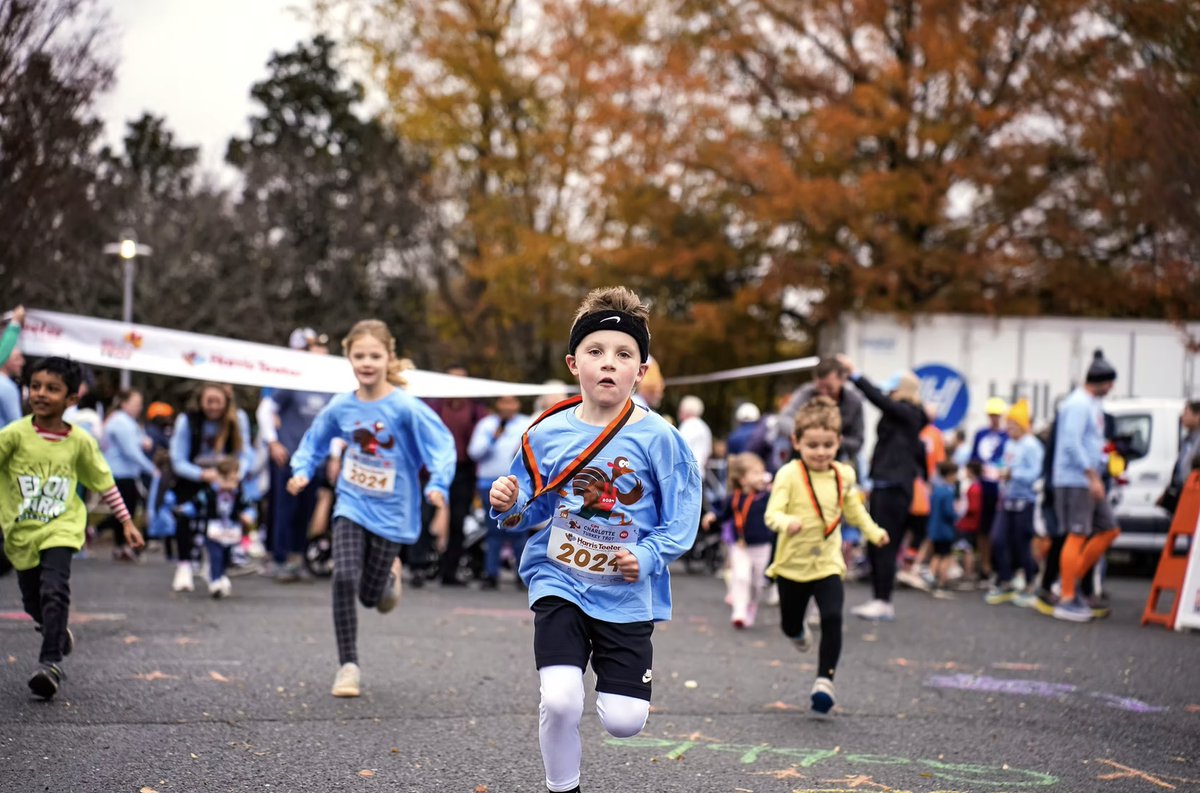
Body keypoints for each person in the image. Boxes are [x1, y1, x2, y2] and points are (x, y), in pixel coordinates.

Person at [488, 286, 701, 793]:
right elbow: (528, 508)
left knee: (624, 720)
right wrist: (508, 502)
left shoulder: (661, 438)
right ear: (573, 363)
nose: (609, 363)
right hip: (559, 578)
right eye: (596, 351)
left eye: (624, 355)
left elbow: (683, 518)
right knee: (561, 700)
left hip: (625, 594)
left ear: (641, 372)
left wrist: (647, 555)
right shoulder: (544, 433)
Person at [288, 320, 455, 698]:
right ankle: (347, 666)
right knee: (343, 576)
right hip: (351, 502)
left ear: (388, 358)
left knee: (370, 596)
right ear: (348, 358)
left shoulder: (404, 407)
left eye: (375, 356)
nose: (367, 362)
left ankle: (389, 577)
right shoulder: (341, 406)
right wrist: (302, 471)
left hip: (393, 511)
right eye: (359, 355)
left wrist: (438, 484)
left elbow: (441, 445)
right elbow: (314, 442)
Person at [0, 357, 143, 699]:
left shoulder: (80, 441)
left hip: (61, 528)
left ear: (71, 399)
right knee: (33, 600)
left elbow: (104, 482)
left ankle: (50, 664)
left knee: (54, 589)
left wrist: (125, 521)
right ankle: (55, 631)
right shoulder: (14, 435)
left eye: (52, 389)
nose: (41, 393)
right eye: (36, 386)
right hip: (21, 532)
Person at [764, 396, 888, 714]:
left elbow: (854, 510)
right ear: (796, 442)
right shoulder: (789, 474)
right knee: (790, 624)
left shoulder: (843, 475)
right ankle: (797, 631)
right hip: (791, 566)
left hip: (828, 563)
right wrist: (786, 522)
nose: (821, 452)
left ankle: (825, 681)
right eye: (813, 445)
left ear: (838, 442)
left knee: (833, 617)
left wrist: (874, 533)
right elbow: (772, 514)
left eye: (828, 445)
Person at [837, 356, 928, 622]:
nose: (889, 394)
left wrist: (855, 375)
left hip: (894, 487)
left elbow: (879, 399)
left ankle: (883, 600)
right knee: (877, 542)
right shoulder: (906, 415)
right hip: (885, 484)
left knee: (885, 543)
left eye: (893, 390)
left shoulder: (910, 413)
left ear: (903, 391)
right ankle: (879, 598)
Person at [1049, 350, 1121, 622]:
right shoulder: (1078, 404)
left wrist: (1106, 460)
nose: (1112, 387)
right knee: (1077, 533)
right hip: (1076, 479)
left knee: (1109, 529)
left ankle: (1067, 582)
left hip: (1086, 478)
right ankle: (1067, 597)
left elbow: (1088, 441)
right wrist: (1092, 476)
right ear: (1101, 381)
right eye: (1110, 382)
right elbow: (1071, 443)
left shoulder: (1091, 404)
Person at [169, 383, 254, 593]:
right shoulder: (187, 421)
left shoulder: (237, 419)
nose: (214, 407)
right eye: (209, 401)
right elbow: (177, 460)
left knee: (223, 524)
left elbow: (245, 455)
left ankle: (217, 570)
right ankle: (184, 566)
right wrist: (203, 474)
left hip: (226, 483)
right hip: (193, 479)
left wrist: (234, 476)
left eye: (218, 402)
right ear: (200, 401)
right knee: (186, 517)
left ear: (226, 402)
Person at [263, 329, 333, 581]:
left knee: (306, 511)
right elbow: (265, 408)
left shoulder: (330, 389)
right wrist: (273, 442)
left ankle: (297, 558)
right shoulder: (294, 383)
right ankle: (279, 559)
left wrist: (334, 456)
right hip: (289, 459)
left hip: (315, 462)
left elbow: (336, 426)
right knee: (285, 510)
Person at [428, 365, 489, 586]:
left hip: (463, 471)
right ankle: (421, 565)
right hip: (434, 468)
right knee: (426, 517)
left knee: (458, 520)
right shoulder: (434, 408)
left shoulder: (476, 411)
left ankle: (449, 570)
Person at [468, 394, 532, 590]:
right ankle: (491, 574)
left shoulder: (527, 424)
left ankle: (522, 576)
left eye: (511, 401)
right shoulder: (487, 425)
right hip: (489, 484)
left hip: (518, 486)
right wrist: (492, 438)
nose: (507, 406)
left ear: (517, 404)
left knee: (519, 530)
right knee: (493, 531)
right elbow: (474, 452)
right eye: (504, 402)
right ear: (498, 404)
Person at [703, 452, 772, 628]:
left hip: (762, 546)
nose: (761, 476)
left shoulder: (766, 497)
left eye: (762, 472)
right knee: (741, 577)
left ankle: (751, 604)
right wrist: (713, 516)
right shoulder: (733, 498)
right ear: (742, 479)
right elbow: (723, 513)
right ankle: (739, 611)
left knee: (756, 583)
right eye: (755, 473)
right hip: (740, 545)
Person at [985, 400, 1043, 606]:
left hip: (1025, 501)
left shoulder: (1032, 445)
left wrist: (1013, 474)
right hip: (1007, 499)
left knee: (1022, 543)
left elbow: (1035, 474)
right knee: (998, 539)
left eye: (1013, 425)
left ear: (1023, 425)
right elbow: (1004, 464)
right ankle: (1006, 580)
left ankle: (1030, 582)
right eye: (1008, 425)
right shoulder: (1009, 444)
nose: (1009, 429)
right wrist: (998, 471)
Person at [181, 457, 256, 598]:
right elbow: (196, 503)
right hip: (213, 531)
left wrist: (248, 515)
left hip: (231, 532)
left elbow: (248, 506)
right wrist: (184, 510)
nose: (229, 484)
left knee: (226, 557)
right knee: (216, 555)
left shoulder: (238, 494)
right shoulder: (209, 493)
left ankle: (221, 575)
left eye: (233, 481)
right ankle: (215, 581)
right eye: (226, 480)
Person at [99, 389, 157, 560]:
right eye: (136, 404)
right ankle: (119, 543)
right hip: (120, 473)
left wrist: (144, 441)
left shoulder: (128, 421)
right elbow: (130, 450)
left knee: (125, 510)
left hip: (127, 473)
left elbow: (138, 441)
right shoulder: (120, 422)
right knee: (125, 511)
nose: (139, 407)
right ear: (124, 404)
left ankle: (120, 545)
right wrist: (150, 468)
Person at [781, 357, 866, 472]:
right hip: (801, 460)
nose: (824, 393)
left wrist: (830, 440)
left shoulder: (854, 402)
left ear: (842, 380)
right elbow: (784, 420)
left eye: (829, 388)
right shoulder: (806, 393)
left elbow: (857, 441)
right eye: (820, 387)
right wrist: (807, 435)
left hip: (837, 462)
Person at [969, 396, 1010, 584]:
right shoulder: (980, 434)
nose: (994, 418)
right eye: (991, 415)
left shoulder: (1007, 436)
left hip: (1000, 489)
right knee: (982, 527)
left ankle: (997, 565)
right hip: (982, 488)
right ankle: (984, 564)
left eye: (997, 415)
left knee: (999, 528)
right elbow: (973, 459)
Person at [1159, 400, 1200, 515]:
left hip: (1194, 491)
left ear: (1198, 416)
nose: (1182, 417)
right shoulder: (1187, 439)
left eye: (1186, 413)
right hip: (1182, 490)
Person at [927, 461, 961, 597]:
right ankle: (942, 583)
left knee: (937, 555)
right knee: (945, 556)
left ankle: (932, 580)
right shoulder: (948, 492)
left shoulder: (936, 490)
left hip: (934, 528)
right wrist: (957, 515)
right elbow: (949, 513)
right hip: (945, 530)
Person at [677, 395, 713, 471]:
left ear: (685, 411)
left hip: (687, 472)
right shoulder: (704, 427)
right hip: (700, 472)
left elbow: (680, 449)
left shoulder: (687, 425)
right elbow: (708, 451)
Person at [0, 346, 24, 427]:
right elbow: (16, 422)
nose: (22, 362)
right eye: (17, 359)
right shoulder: (8, 387)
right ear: (6, 360)